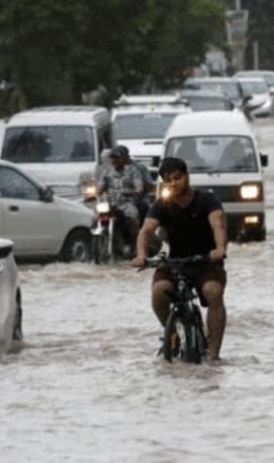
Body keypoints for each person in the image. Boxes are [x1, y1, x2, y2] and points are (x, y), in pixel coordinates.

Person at [132, 157, 228, 361]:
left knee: (213, 291)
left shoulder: (207, 199)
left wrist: (220, 249)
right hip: (174, 262)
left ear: (187, 177)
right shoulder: (162, 205)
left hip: (206, 262)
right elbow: (146, 231)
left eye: (178, 177)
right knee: (159, 292)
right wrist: (141, 256)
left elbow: (217, 223)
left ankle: (214, 353)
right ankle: (172, 332)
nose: (174, 183)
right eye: (168, 180)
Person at [97, 145, 144, 252]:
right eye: (112, 157)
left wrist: (136, 190)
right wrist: (95, 193)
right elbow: (100, 187)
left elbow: (139, 185)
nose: (114, 160)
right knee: (94, 219)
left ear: (124, 158)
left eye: (117, 157)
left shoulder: (133, 171)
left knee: (132, 217)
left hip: (127, 203)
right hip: (110, 204)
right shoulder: (107, 171)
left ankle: (135, 245)